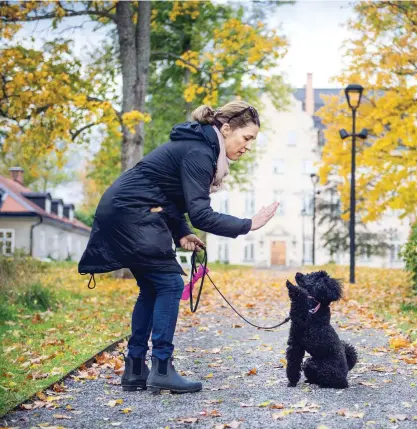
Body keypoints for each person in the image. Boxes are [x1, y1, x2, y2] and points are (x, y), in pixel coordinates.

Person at [78, 101, 279, 394]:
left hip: (126, 210)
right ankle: (161, 367)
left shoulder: (199, 146)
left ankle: (135, 368)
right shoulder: (200, 151)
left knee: (152, 287)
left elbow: (166, 195)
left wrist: (182, 233)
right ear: (225, 129)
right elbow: (201, 214)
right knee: (170, 283)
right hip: (133, 212)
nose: (248, 146)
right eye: (246, 137)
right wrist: (248, 224)